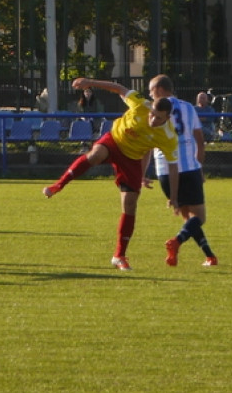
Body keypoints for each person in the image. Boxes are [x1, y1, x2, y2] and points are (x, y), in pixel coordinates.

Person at [42, 77, 180, 272]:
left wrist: (173, 196)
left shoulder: (168, 136)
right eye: (152, 115)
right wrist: (88, 82)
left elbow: (172, 166)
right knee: (96, 156)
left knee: (130, 205)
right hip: (114, 140)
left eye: (159, 118)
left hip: (131, 159)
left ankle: (119, 255)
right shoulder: (141, 103)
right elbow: (118, 88)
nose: (153, 120)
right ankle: (59, 184)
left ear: (167, 118)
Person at [148, 75, 218, 267]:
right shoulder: (187, 107)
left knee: (188, 217)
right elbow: (199, 139)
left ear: (161, 90)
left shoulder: (151, 111)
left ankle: (210, 256)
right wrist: (199, 166)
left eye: (151, 90)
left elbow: (146, 142)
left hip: (164, 170)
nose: (150, 94)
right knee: (199, 217)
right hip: (188, 166)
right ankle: (177, 241)